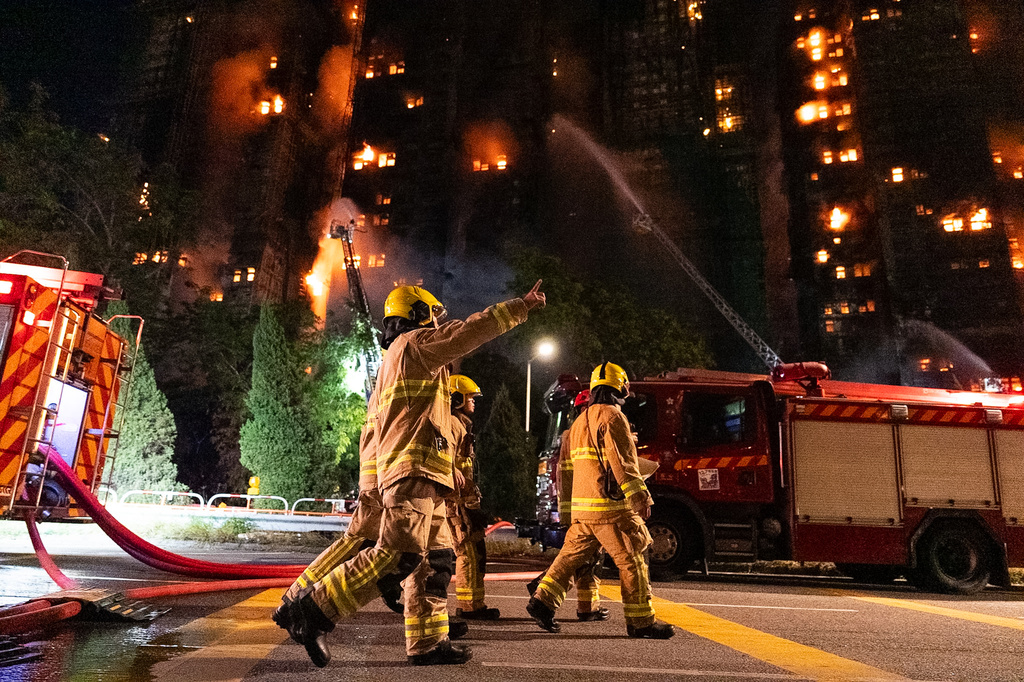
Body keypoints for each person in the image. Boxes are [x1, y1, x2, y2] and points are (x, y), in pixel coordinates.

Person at [277, 281, 545, 667]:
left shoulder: (394, 360)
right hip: (413, 474)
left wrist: (378, 485)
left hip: (426, 479)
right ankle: (315, 611)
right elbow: (468, 331)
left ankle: (428, 642)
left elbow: (377, 431)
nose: (439, 325)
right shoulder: (415, 345)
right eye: (434, 316)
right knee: (398, 556)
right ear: (418, 314)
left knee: (434, 566)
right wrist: (521, 306)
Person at [526, 362, 673, 639]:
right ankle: (641, 621)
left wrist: (567, 511)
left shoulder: (580, 421)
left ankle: (542, 602)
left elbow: (571, 467)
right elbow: (623, 463)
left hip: (584, 509)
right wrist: (641, 497)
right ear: (620, 386)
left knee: (570, 557)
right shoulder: (613, 417)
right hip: (610, 508)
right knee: (633, 558)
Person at [526, 389, 608, 622]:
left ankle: (588, 607)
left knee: (591, 558)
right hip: (586, 507)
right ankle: (543, 589)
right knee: (581, 558)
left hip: (584, 505)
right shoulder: (578, 433)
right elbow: (566, 476)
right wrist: (566, 513)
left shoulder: (578, 432)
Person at [445, 374, 500, 620]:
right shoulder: (452, 424)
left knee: (475, 551)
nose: (474, 401)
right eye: (470, 397)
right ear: (456, 398)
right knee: (467, 553)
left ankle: (475, 604)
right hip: (457, 503)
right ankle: (469, 607)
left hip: (465, 500)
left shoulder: (461, 424)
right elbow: (443, 456)